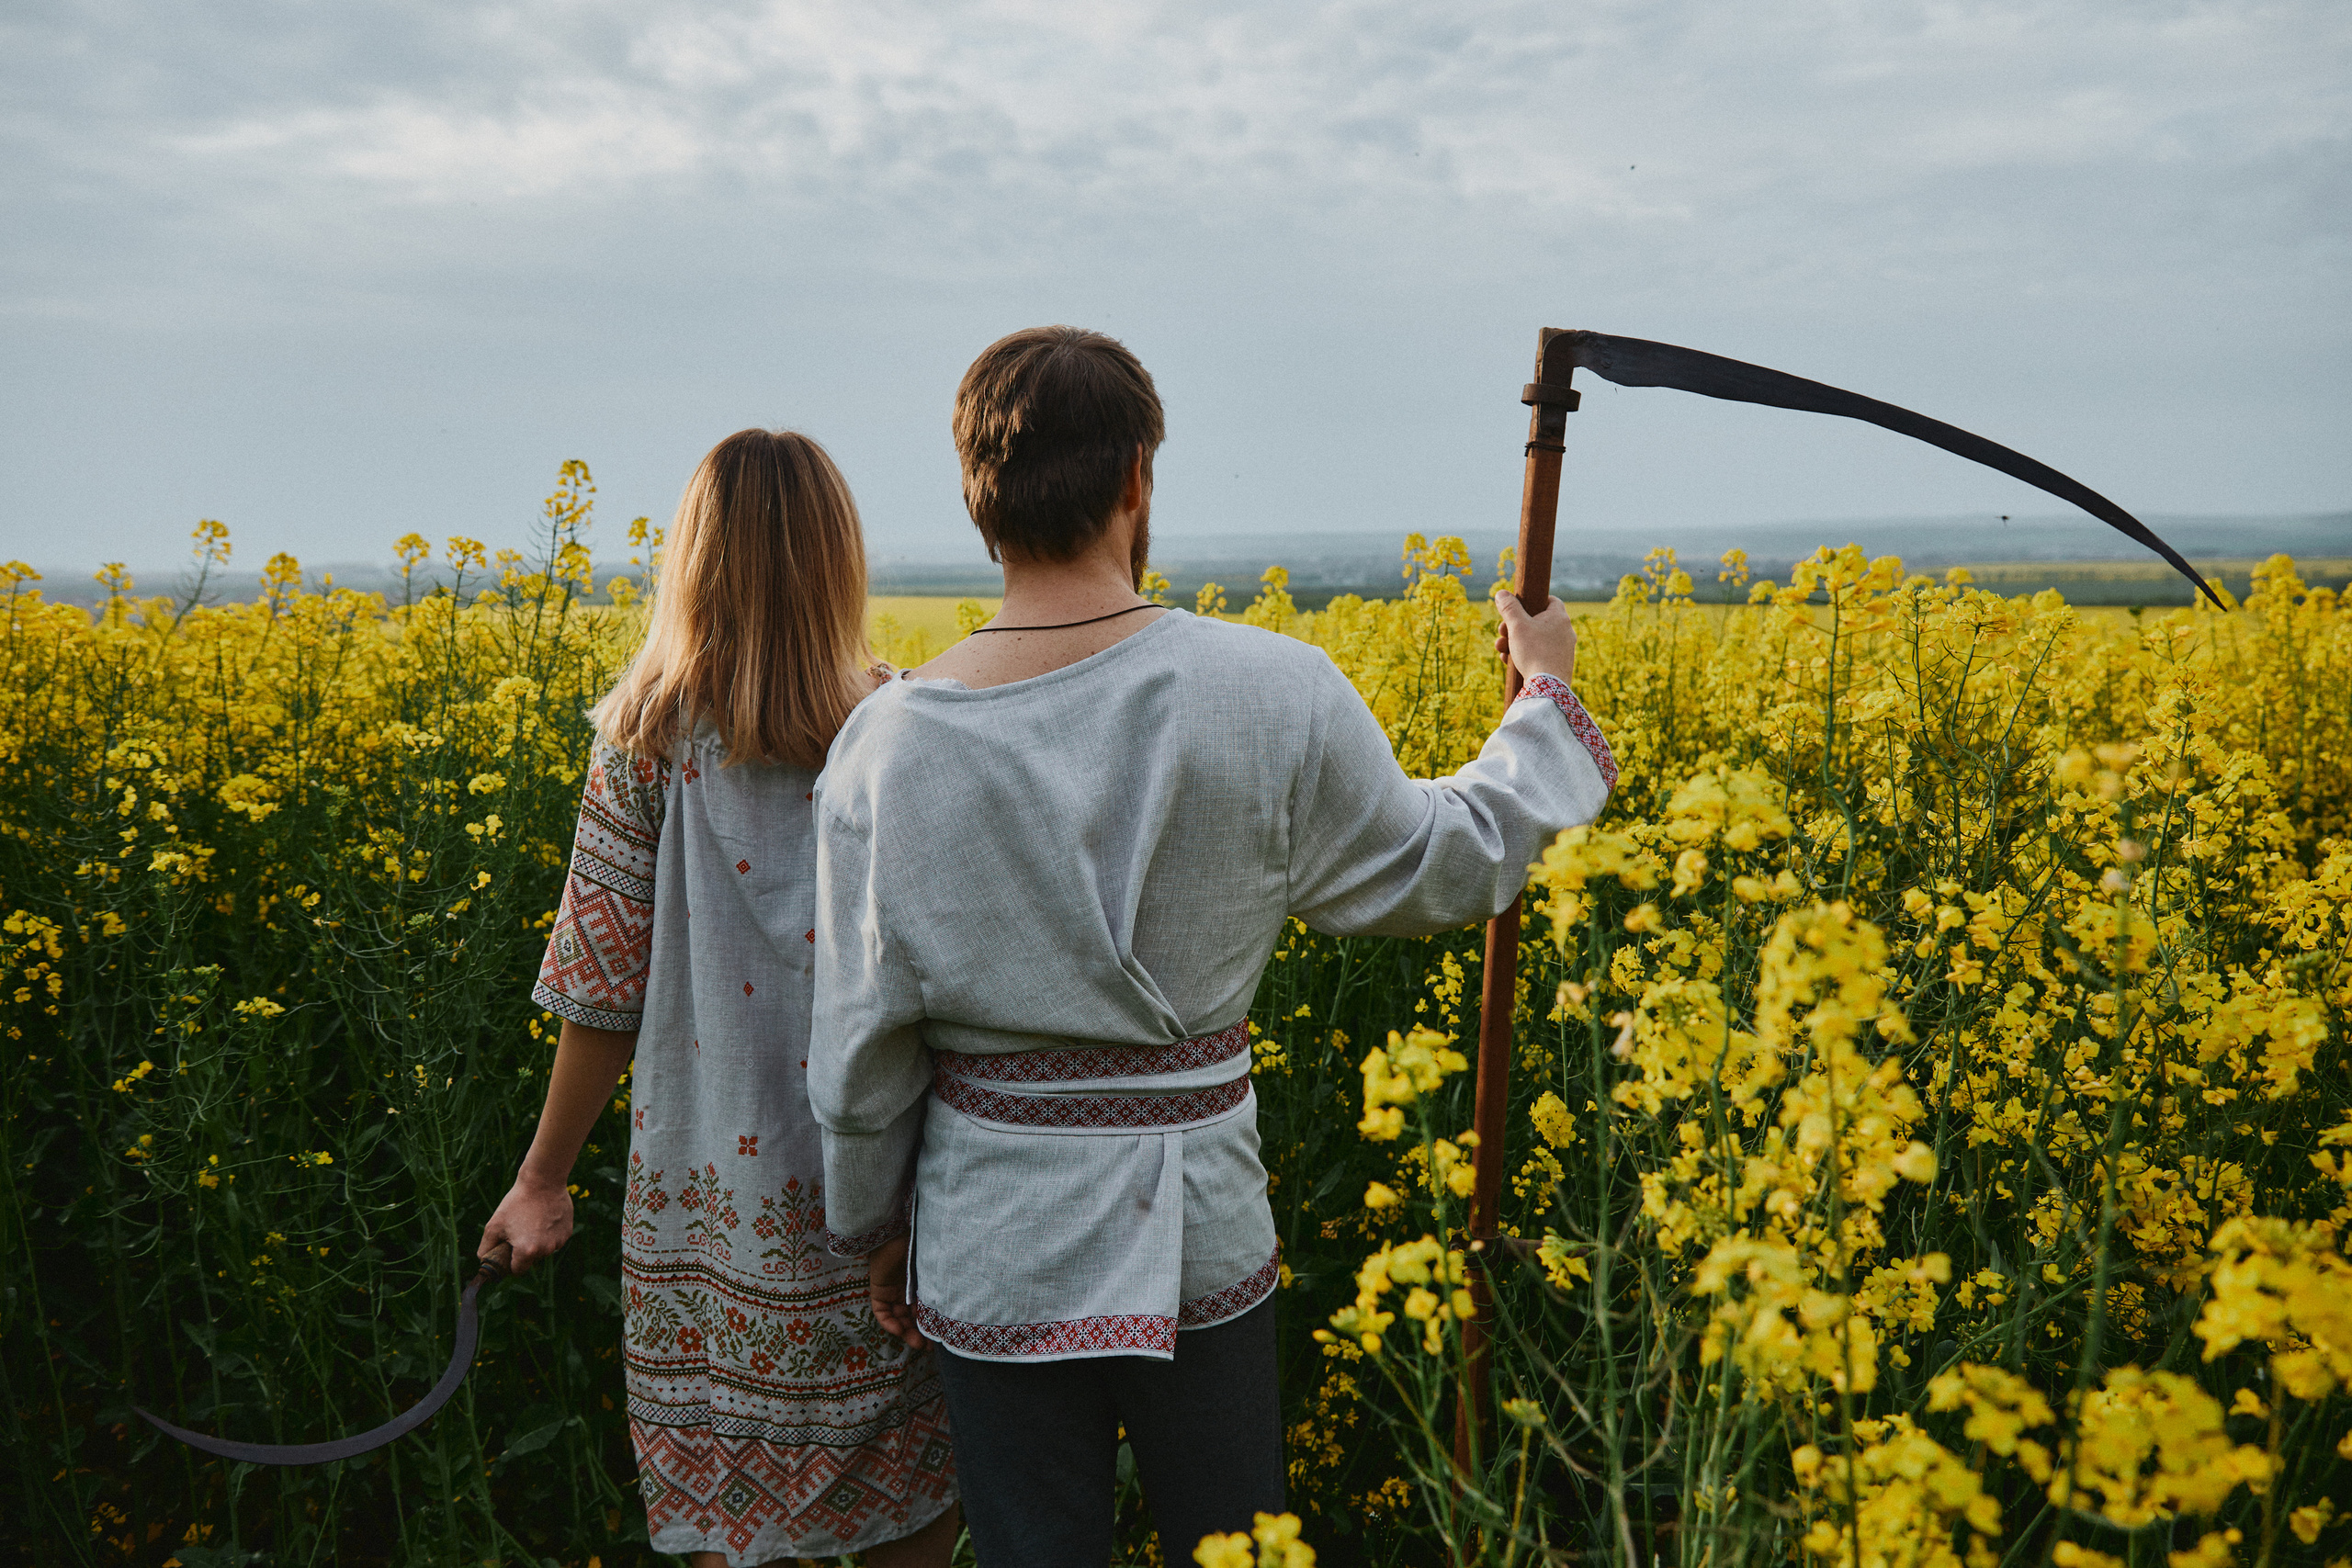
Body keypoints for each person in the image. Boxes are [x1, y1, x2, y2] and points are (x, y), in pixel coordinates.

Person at [806, 326, 1617, 1564]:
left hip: (992, 1227)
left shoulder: (888, 741)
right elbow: (1444, 860)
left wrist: (875, 1221)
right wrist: (1541, 702)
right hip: (1201, 1219)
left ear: (976, 493)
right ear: (1137, 477)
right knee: (1234, 1544)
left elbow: (860, 1052)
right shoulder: (1271, 685)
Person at [480, 430, 960, 1567]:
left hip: (709, 1216)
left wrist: (542, 1180)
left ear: (691, 560)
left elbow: (601, 987)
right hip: (893, 1198)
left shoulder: (642, 738)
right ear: (839, 560)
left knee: (738, 1526)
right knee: (909, 1507)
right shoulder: (908, 727)